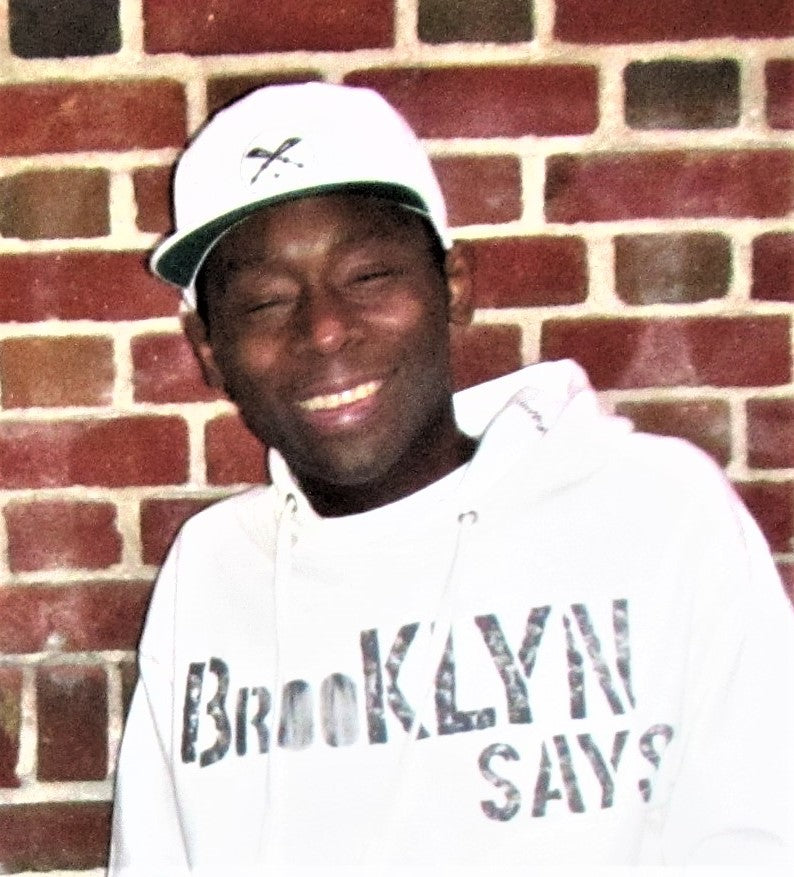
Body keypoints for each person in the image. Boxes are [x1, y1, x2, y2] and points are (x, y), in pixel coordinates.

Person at [109, 82, 794, 875]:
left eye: (367, 277)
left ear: (454, 285)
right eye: (264, 301)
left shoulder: (658, 513)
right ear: (208, 349)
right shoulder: (214, 568)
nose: (326, 329)